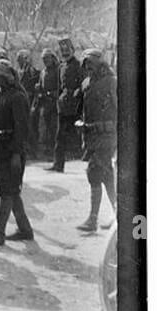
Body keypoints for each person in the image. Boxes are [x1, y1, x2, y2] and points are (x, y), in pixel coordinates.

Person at [0, 59, 34, 245]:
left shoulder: (17, 97)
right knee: (11, 191)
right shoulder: (0, 95)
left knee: (7, 191)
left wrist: (16, 154)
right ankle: (25, 229)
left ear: (6, 78)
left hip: (12, 150)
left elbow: (22, 129)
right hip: (1, 148)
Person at [77, 48, 117, 233]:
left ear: (101, 64)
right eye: (86, 64)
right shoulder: (87, 83)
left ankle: (93, 220)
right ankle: (118, 214)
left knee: (94, 173)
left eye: (91, 64)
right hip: (92, 136)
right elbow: (84, 109)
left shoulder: (112, 82)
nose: (88, 67)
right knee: (107, 176)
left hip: (107, 137)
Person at [51, 38, 84, 171]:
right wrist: (59, 100)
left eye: (67, 50)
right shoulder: (61, 66)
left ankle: (87, 162)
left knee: (79, 134)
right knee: (60, 136)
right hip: (64, 105)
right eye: (62, 51)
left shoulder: (79, 65)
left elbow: (83, 84)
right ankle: (58, 164)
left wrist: (78, 96)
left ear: (73, 50)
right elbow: (60, 86)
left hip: (76, 106)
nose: (65, 53)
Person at [15, 49, 41, 157]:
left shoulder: (31, 71)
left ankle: (34, 150)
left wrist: (34, 104)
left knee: (31, 126)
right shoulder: (19, 71)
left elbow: (35, 88)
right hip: (22, 101)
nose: (19, 61)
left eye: (20, 59)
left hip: (30, 100)